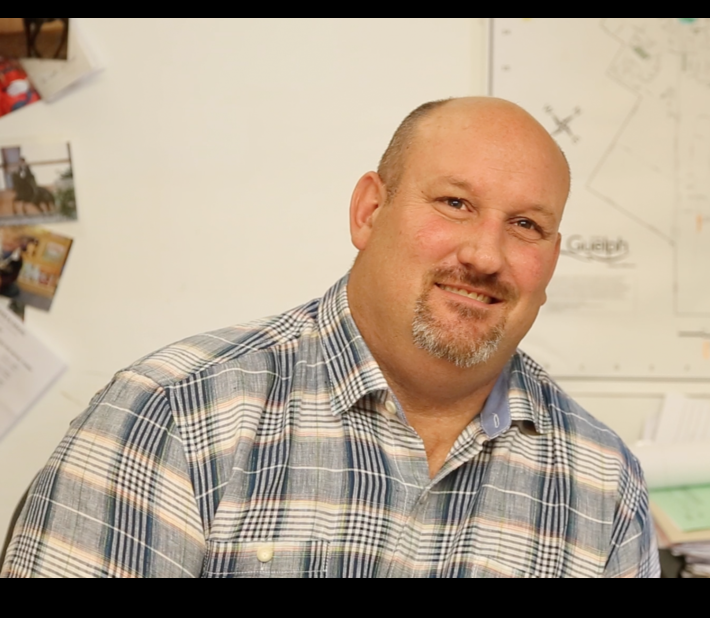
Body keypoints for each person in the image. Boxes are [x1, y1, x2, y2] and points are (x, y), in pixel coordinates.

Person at [1, 97, 659, 578]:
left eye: (525, 225)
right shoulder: (171, 415)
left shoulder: (601, 482)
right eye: (455, 203)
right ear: (370, 211)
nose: (486, 254)